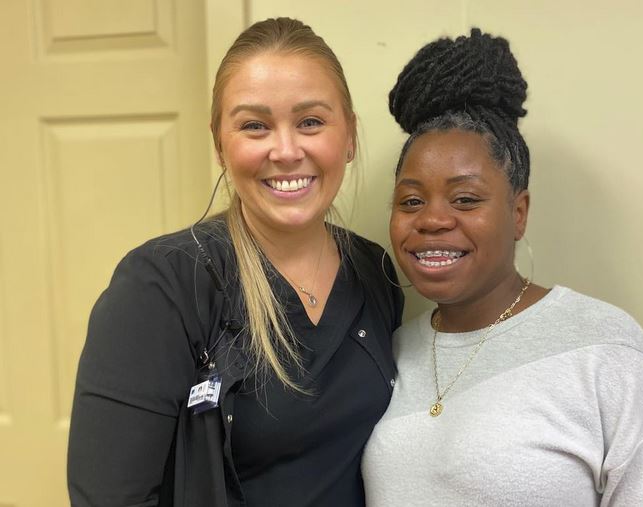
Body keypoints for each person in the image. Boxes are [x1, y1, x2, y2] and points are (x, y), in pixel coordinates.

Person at [68, 18, 403, 507]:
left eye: (311, 121)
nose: (286, 151)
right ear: (219, 143)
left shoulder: (374, 272)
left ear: (349, 135)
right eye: (254, 126)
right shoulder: (161, 288)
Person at [362, 28, 643, 506]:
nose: (431, 219)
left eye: (465, 198)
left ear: (519, 212)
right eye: (411, 200)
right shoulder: (389, 352)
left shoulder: (606, 350)